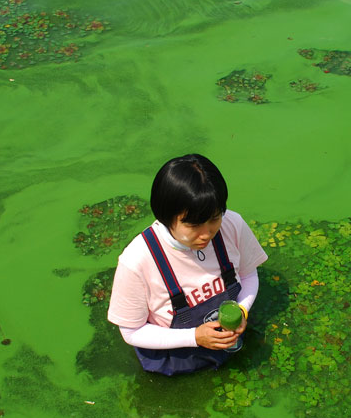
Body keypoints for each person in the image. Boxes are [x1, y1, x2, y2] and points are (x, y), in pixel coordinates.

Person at [107, 154, 268, 375]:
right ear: (166, 216)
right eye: (194, 225)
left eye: (214, 218)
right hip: (175, 358)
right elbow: (131, 331)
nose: (207, 234)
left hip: (232, 345)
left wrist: (242, 309)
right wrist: (194, 337)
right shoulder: (137, 261)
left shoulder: (232, 225)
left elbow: (249, 275)